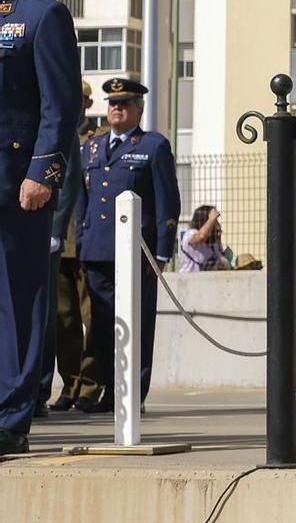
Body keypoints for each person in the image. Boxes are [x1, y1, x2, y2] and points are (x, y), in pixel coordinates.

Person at [0, 0, 82, 453]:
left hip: (15, 183)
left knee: (19, 297)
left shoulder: (39, 15)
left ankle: (11, 417)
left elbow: (61, 104)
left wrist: (43, 173)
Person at [74, 77, 179, 410]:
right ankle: (108, 388)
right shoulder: (91, 147)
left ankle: (133, 395)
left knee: (137, 324)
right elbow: (82, 199)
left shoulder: (153, 146)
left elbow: (167, 202)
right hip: (98, 251)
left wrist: (161, 252)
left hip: (138, 253)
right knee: (103, 326)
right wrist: (80, 242)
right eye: (112, 103)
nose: (116, 108)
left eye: (124, 103)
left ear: (139, 108)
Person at [36, 78, 88, 416]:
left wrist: (55, 231)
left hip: (60, 235)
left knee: (53, 314)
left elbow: (68, 181)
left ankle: (42, 390)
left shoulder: (60, 125)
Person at [177, 205, 228, 272]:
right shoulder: (190, 234)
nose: (216, 225)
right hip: (188, 279)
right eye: (214, 222)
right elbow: (201, 236)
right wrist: (211, 219)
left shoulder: (213, 244)